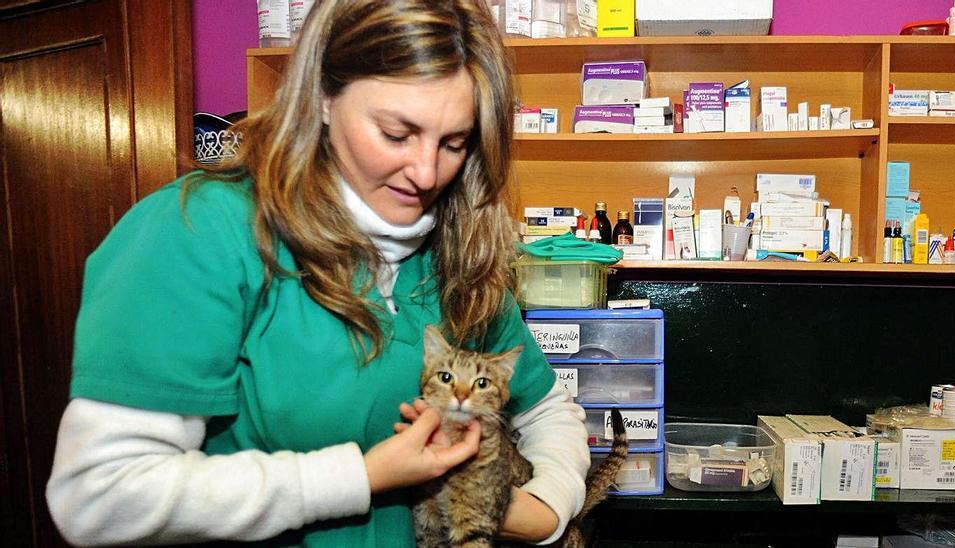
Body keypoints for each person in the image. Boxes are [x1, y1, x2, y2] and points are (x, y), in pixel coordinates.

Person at [45, 0, 589, 545]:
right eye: (396, 134)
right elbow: (98, 495)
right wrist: (359, 477)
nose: (427, 173)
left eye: (454, 143)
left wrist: (544, 512)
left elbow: (547, 410)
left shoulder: (460, 248)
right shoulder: (200, 231)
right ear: (324, 97)